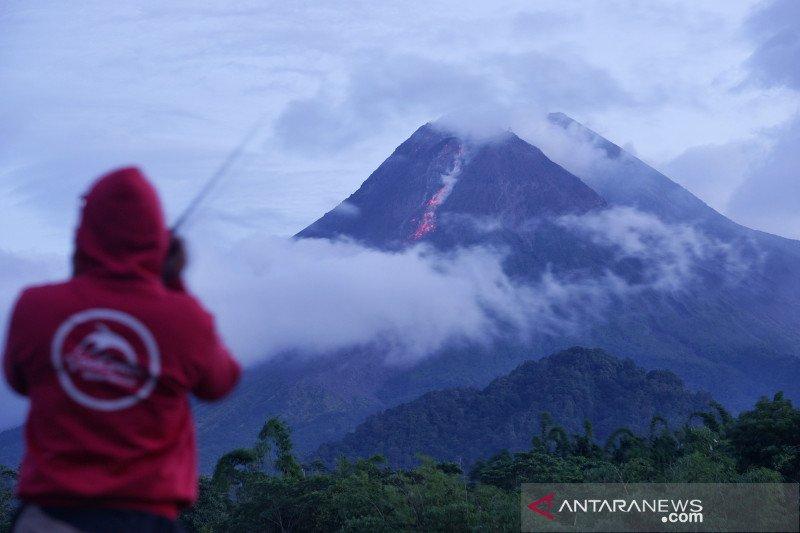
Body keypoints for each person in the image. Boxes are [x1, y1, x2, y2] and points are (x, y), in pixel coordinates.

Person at [3, 167, 241, 532]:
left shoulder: (35, 307)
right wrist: (173, 284)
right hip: (148, 518)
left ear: (84, 232)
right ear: (157, 240)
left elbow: (19, 380)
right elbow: (220, 383)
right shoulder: (185, 319)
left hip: (49, 518)